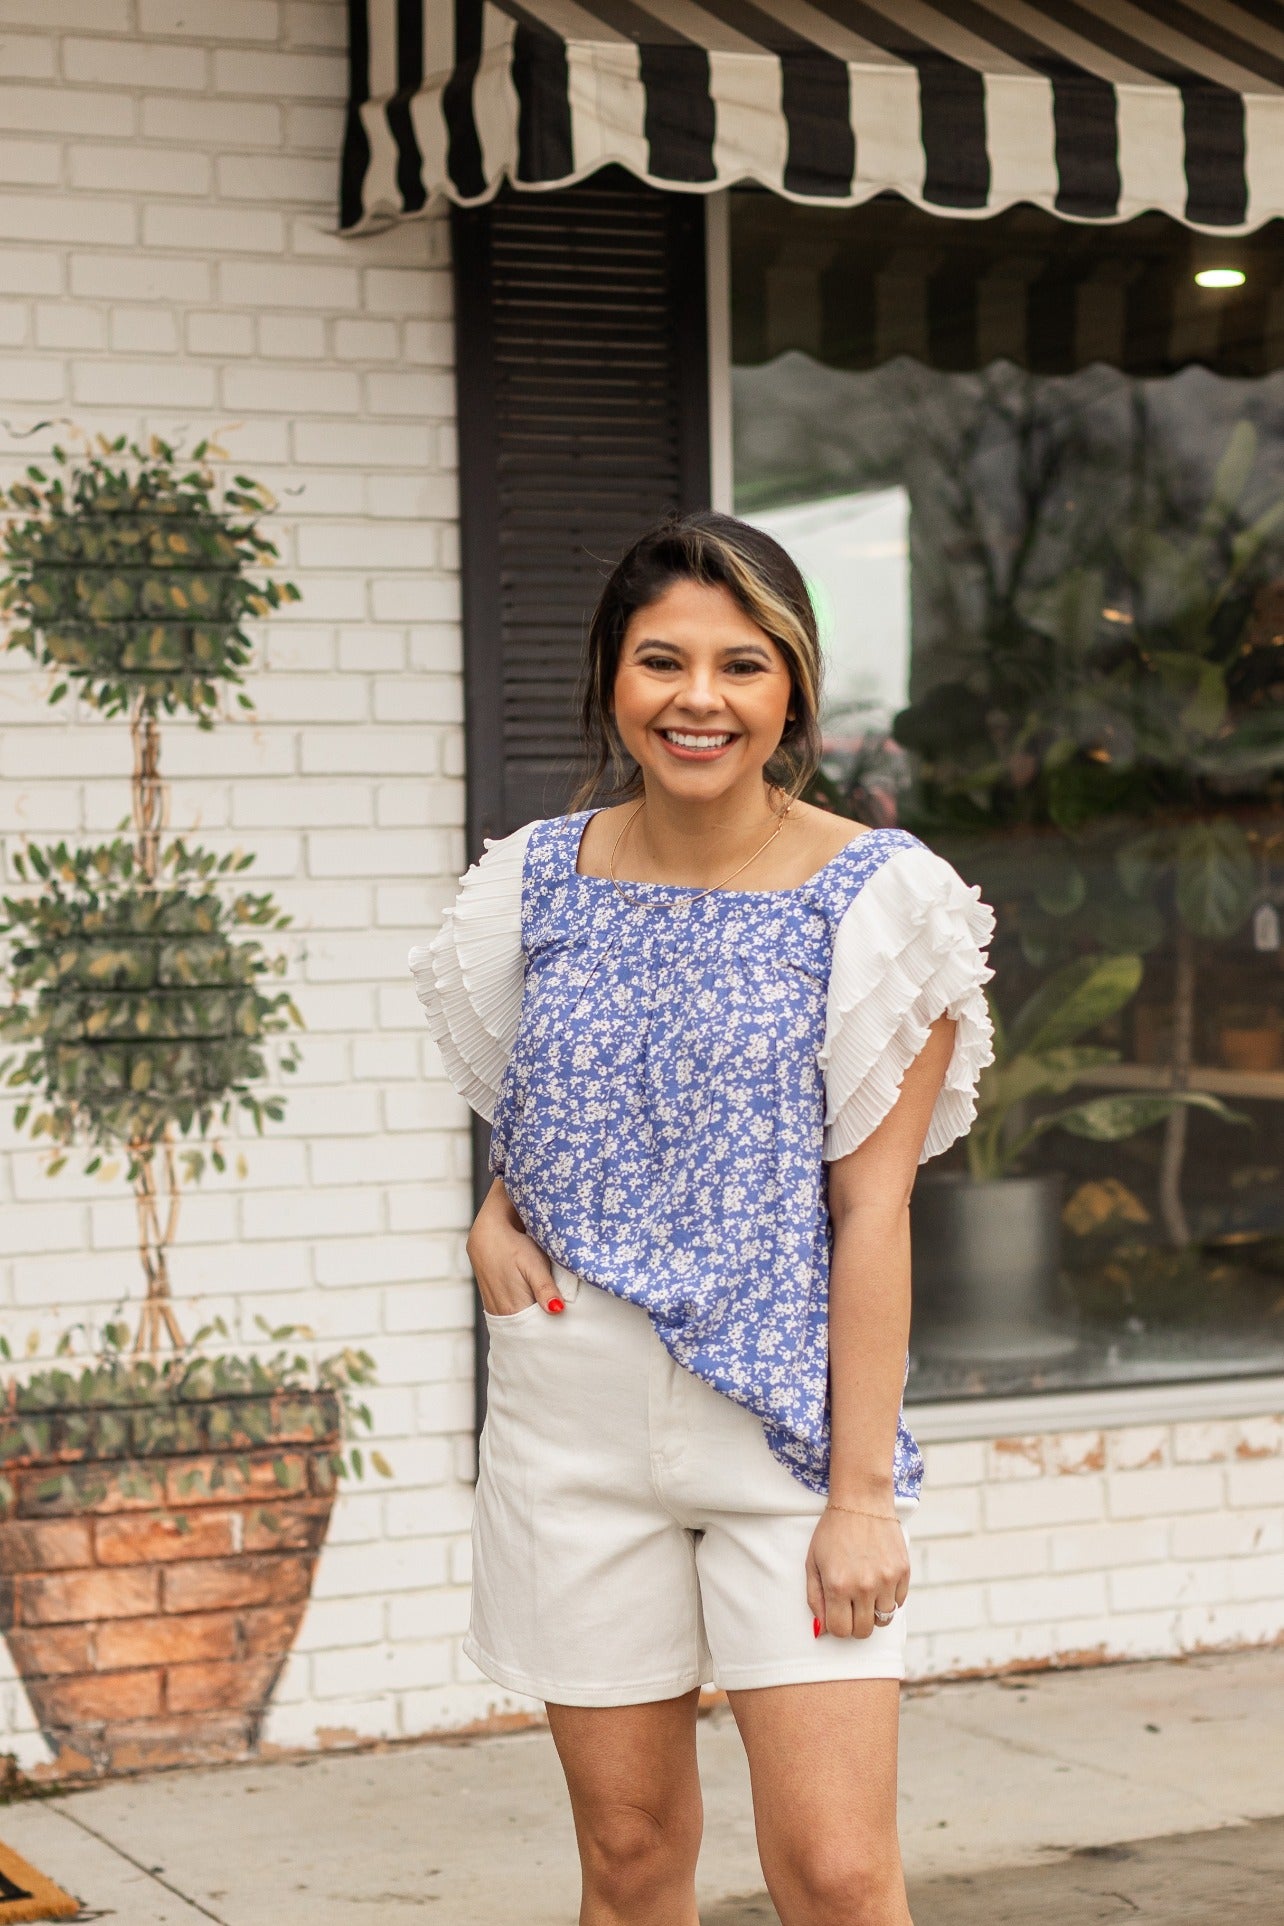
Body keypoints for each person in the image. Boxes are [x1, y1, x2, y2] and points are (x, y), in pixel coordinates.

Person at [411, 511, 995, 1926]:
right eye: (662, 660)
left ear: (793, 690)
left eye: (743, 665)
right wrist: (494, 1207)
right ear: (612, 677)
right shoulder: (535, 880)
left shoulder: (880, 898)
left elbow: (871, 1210)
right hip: (572, 1416)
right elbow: (560, 1103)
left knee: (838, 1875)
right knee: (628, 1865)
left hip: (786, 1431)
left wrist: (861, 1497)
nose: (700, 699)